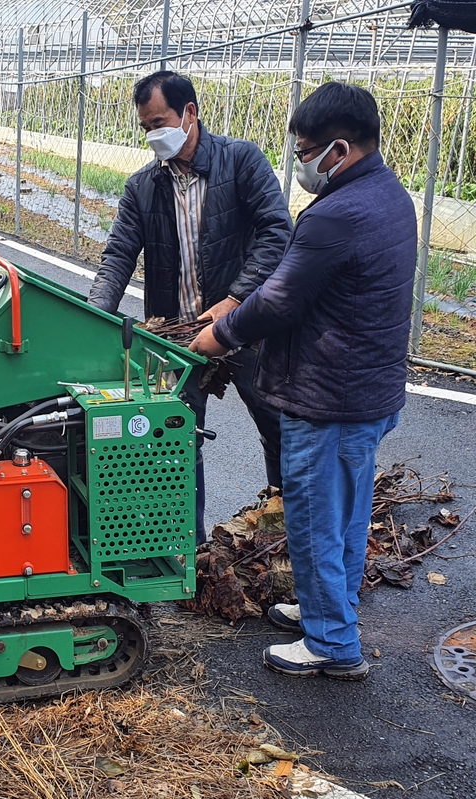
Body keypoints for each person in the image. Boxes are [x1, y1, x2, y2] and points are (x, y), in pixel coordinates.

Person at [190, 82, 416, 680]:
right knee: (342, 512)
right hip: (366, 390)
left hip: (328, 394)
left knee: (316, 517)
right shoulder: (389, 195)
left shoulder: (338, 213)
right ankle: (326, 611)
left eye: (306, 151)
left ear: (339, 149)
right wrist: (237, 306)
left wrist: (223, 332)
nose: (301, 163)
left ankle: (332, 645)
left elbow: (282, 300)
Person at [89, 71, 292, 543]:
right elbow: (118, 254)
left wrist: (236, 299)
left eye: (160, 121)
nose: (153, 134)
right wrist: (94, 315)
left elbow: (276, 231)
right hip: (177, 339)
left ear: (190, 113)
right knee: (175, 441)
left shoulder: (240, 161)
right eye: (145, 127)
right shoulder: (143, 186)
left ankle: (285, 533)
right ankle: (189, 551)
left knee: (277, 426)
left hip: (245, 328)